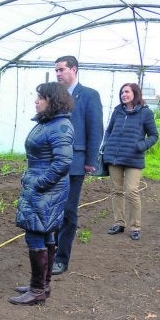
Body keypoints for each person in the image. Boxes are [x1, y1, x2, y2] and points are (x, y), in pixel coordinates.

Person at [9, 82, 74, 306]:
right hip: (40, 185)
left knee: (35, 233)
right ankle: (42, 286)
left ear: (52, 101)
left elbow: (63, 162)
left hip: (46, 188)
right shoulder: (47, 123)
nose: (36, 101)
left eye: (41, 98)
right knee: (45, 233)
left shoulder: (60, 126)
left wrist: (39, 183)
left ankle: (37, 289)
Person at [51, 55, 104, 275]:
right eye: (56, 71)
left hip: (76, 161)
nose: (58, 74)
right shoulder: (55, 95)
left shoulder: (89, 95)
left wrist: (91, 161)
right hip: (55, 161)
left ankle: (61, 258)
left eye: (61, 70)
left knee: (68, 211)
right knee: (53, 209)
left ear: (74, 69)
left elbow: (95, 129)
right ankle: (49, 251)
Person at [102, 83, 158, 241]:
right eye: (122, 93)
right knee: (116, 191)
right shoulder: (118, 111)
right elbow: (109, 130)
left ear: (135, 93)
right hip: (114, 156)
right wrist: (106, 145)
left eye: (127, 92)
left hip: (134, 157)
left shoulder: (145, 113)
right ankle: (119, 223)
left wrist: (141, 146)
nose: (123, 95)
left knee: (131, 191)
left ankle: (135, 226)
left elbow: (154, 135)